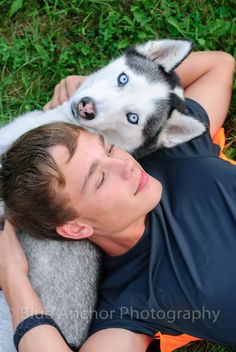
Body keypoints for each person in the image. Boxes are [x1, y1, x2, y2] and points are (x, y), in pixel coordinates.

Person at [0, 50, 235, 352]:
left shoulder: (171, 151)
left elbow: (217, 66)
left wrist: (101, 90)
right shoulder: (130, 303)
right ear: (74, 227)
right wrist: (12, 275)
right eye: (99, 178)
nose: (125, 165)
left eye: (108, 149)